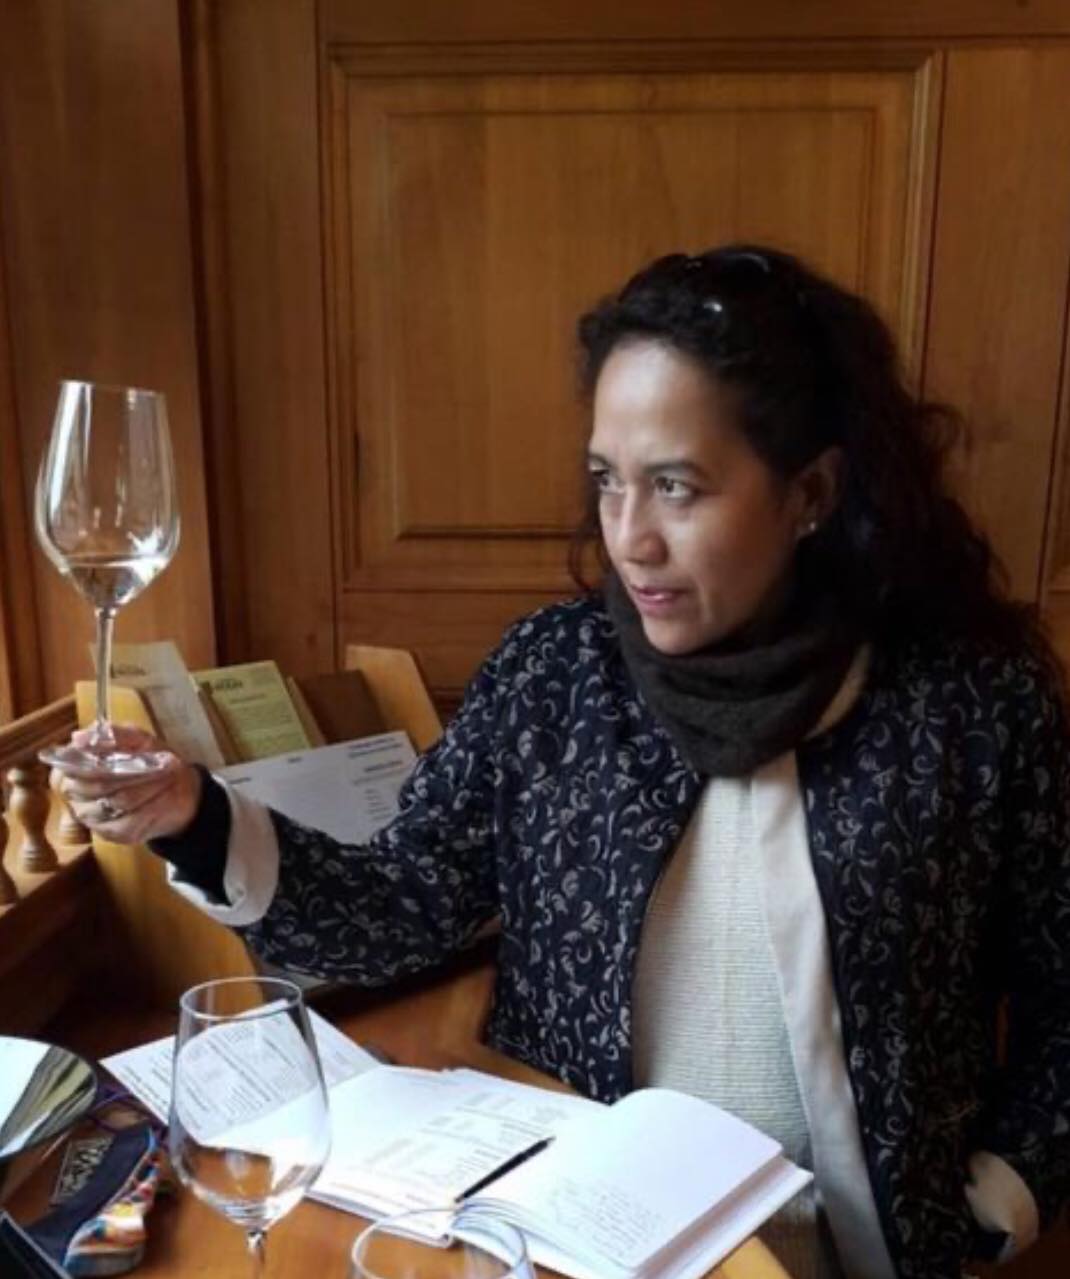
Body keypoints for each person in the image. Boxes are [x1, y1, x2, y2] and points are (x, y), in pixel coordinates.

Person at [58, 246, 1070, 1279]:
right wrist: (194, 815)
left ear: (808, 490)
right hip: (572, 1247)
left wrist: (1007, 1192)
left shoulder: (970, 704)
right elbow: (397, 905)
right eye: (606, 481)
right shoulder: (555, 674)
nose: (629, 538)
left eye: (675, 487)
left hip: (860, 1255)